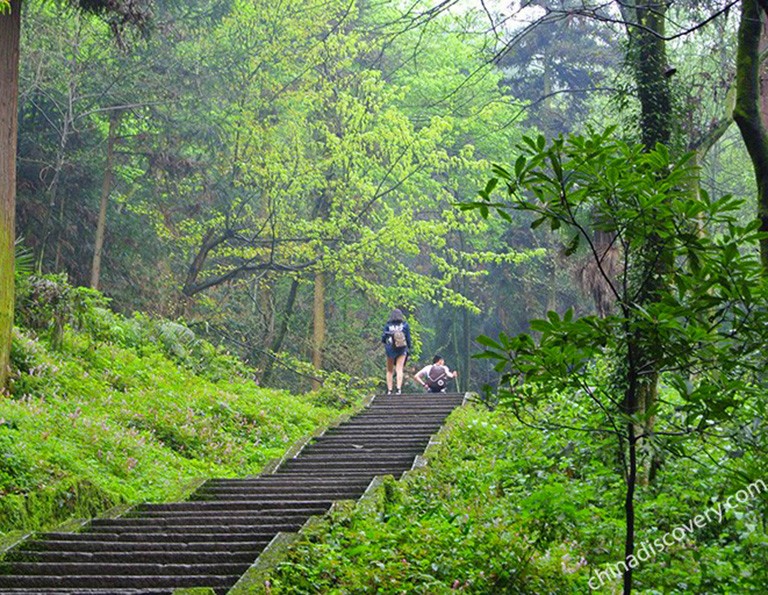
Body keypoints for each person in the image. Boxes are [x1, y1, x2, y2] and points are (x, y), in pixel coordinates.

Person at [381, 308, 411, 394]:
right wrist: (408, 347)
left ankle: (389, 390)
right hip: (402, 348)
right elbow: (408, 338)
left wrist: (385, 343)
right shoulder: (405, 325)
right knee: (399, 369)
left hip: (390, 348)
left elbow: (383, 338)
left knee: (389, 370)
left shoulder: (388, 325)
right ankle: (398, 389)